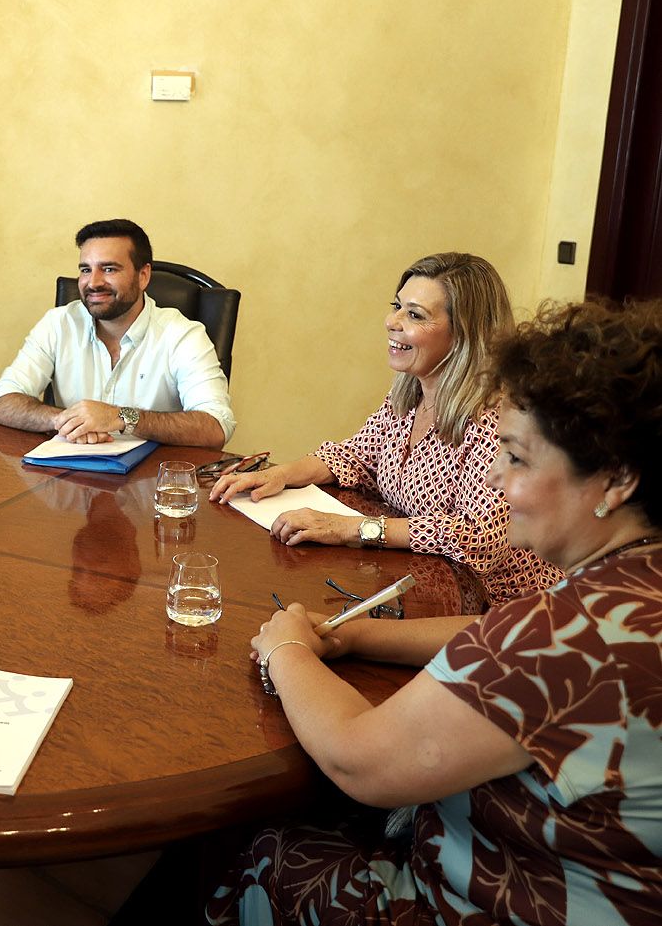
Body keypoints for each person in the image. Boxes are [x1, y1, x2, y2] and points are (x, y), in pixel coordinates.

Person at [207, 300, 662, 925]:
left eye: (519, 458)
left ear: (617, 479)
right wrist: (357, 636)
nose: (496, 478)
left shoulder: (566, 633)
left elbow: (359, 760)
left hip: (506, 903)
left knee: (267, 844)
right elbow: (491, 632)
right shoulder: (633, 584)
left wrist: (287, 649)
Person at [212, 252, 559, 605]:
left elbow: (479, 537)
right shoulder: (410, 391)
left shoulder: (496, 418)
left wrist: (351, 528)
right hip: (418, 578)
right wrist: (282, 474)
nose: (392, 321)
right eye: (397, 306)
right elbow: (357, 455)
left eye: (414, 315)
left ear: (464, 335)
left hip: (498, 610)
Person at [0, 218, 234, 447]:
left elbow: (216, 427)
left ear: (143, 275)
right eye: (85, 269)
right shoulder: (58, 323)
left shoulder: (182, 335)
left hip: (152, 482)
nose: (93, 282)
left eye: (109, 269)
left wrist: (121, 418)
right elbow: (0, 401)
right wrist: (69, 420)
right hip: (70, 478)